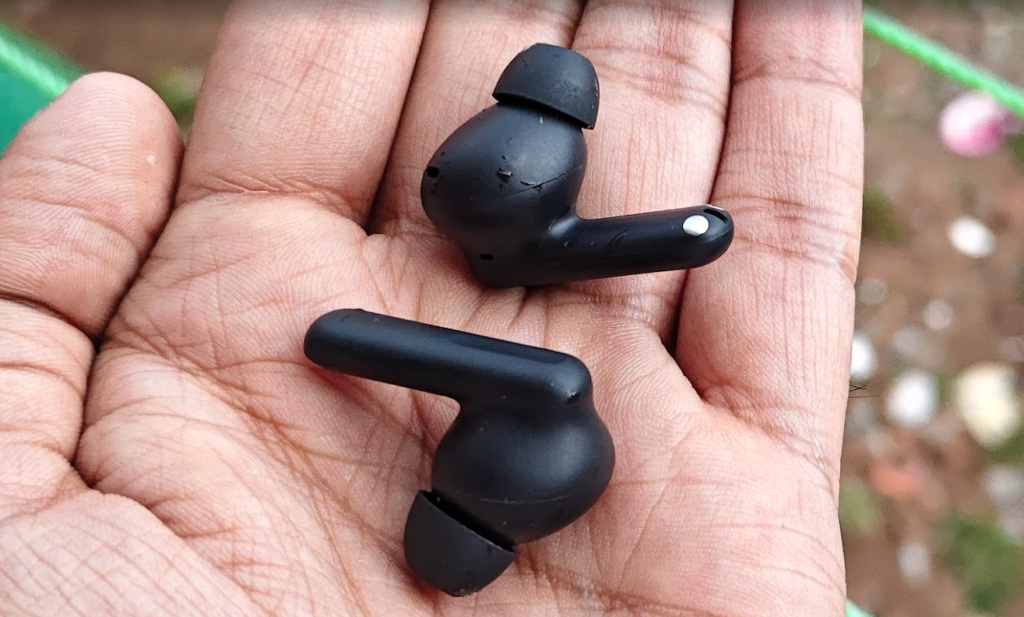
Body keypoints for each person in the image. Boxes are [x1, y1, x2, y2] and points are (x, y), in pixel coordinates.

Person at [0, 0, 863, 615]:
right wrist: (351, 338)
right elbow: (533, 372)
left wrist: (349, 338)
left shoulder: (546, 405)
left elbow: (542, 373)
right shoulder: (542, 411)